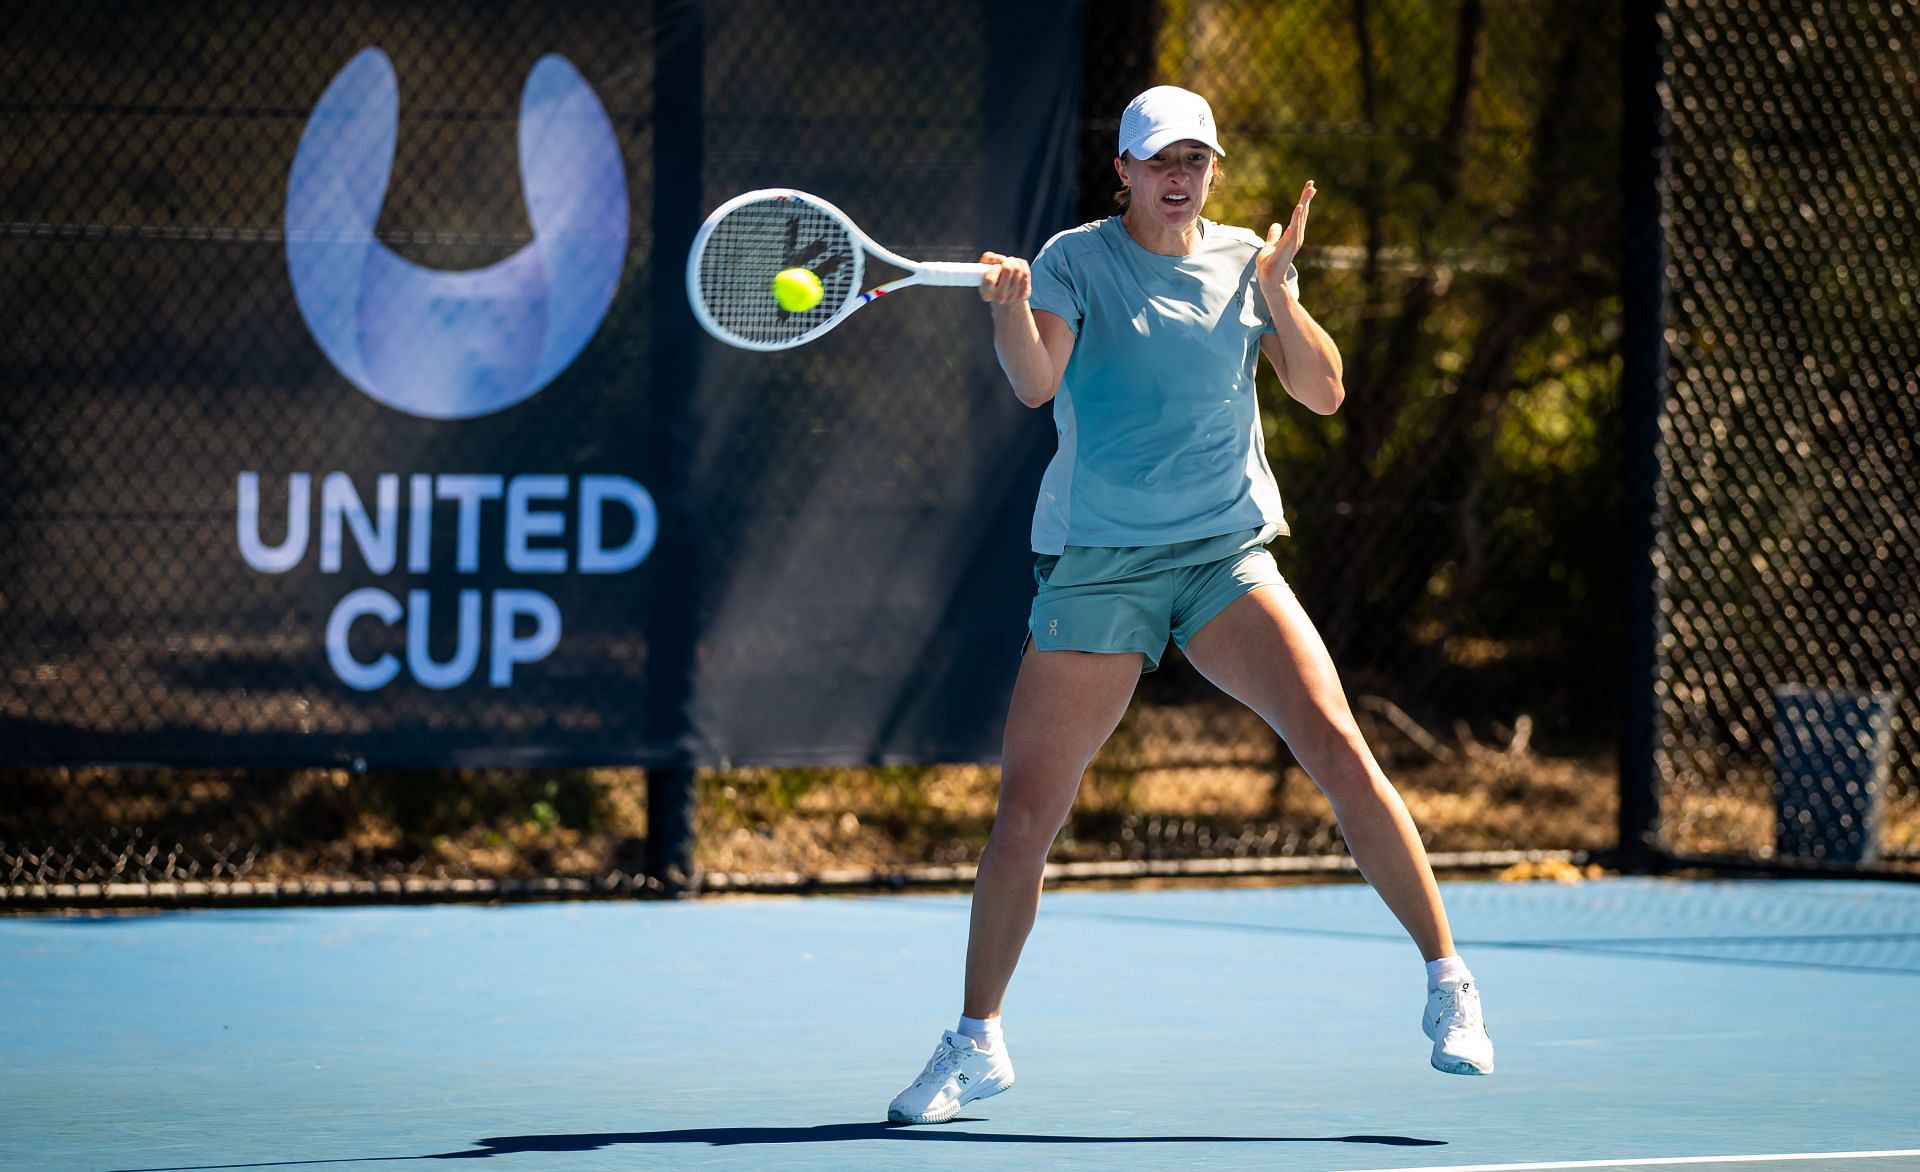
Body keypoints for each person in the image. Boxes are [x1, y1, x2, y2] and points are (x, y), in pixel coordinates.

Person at [886, 85, 1495, 1126]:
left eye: (1196, 159)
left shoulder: (1244, 266)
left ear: (1213, 170)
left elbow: (1324, 392)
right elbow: (1036, 383)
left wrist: (1284, 289)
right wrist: (1005, 313)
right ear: (1122, 171)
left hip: (1224, 557)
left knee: (1340, 744)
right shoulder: (1075, 260)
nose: (1180, 176)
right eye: (1159, 159)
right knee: (1028, 811)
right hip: (1100, 564)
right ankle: (976, 1039)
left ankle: (1449, 984)